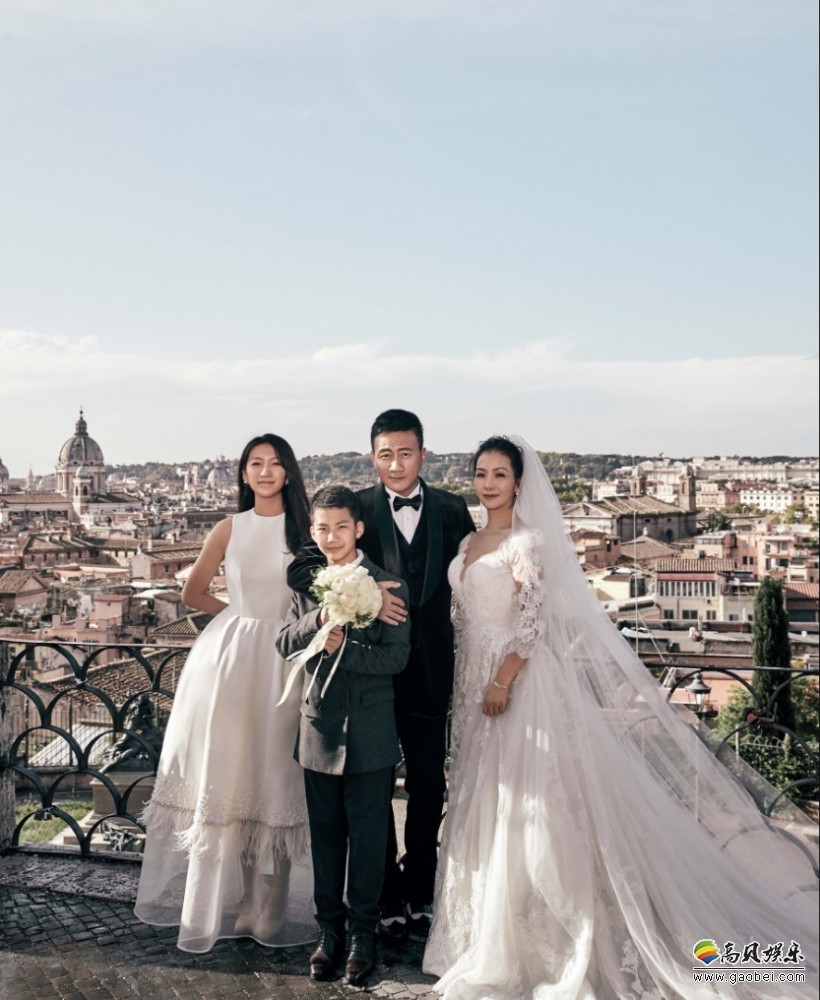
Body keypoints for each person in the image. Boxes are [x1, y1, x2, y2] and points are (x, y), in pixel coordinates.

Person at [423, 435, 818, 1000]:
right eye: (481, 474)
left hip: (516, 686)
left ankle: (544, 940)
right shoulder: (468, 540)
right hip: (472, 685)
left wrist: (502, 681)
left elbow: (532, 623)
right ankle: (488, 931)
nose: (488, 484)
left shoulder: (527, 543)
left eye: (499, 475)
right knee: (492, 801)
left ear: (518, 483)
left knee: (534, 807)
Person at [287, 409, 475, 943]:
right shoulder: (357, 508)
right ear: (373, 457)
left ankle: (422, 888)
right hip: (370, 678)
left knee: (427, 784)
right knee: (373, 790)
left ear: (423, 454)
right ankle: (385, 893)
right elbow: (300, 567)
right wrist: (365, 594)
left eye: (405, 453)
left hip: (431, 669)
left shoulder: (452, 508)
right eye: (385, 454)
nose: (396, 464)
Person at [134, 434, 315, 953]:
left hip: (288, 658)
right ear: (243, 473)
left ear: (288, 473)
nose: (265, 471)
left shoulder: (307, 531)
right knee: (237, 773)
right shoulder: (229, 527)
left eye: (275, 463)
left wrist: (277, 625)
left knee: (280, 775)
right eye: (256, 463)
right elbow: (192, 592)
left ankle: (276, 900)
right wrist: (239, 618)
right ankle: (247, 898)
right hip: (233, 661)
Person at [276, 485, 412, 985]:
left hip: (372, 733)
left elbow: (396, 658)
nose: (331, 537)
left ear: (358, 529)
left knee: (370, 840)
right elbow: (283, 642)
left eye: (340, 527)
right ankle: (328, 933)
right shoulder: (307, 586)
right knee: (326, 838)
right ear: (313, 532)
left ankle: (363, 936)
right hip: (318, 730)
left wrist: (341, 649)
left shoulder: (388, 586)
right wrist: (317, 622)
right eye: (322, 528)